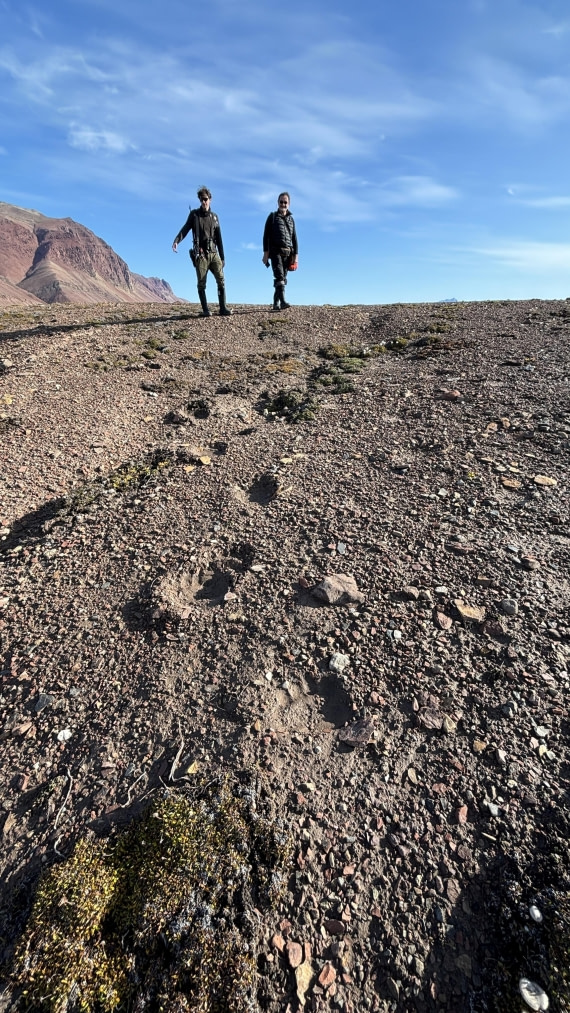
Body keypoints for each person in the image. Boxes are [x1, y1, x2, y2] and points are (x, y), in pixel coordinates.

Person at [172, 187, 232, 317]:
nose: (203, 202)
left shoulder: (215, 217)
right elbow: (185, 229)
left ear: (210, 199)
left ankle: (223, 308)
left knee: (221, 279)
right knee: (201, 282)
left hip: (214, 253)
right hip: (201, 255)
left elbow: (220, 238)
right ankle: (205, 310)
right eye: (201, 200)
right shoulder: (194, 215)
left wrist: (222, 257)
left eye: (205, 199)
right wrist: (177, 240)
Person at [262, 192, 298, 311]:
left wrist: (296, 256)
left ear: (289, 204)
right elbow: (265, 236)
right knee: (279, 276)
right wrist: (266, 254)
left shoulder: (291, 220)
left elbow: (294, 238)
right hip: (275, 252)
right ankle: (282, 302)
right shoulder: (272, 217)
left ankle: (275, 303)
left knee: (282, 279)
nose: (283, 204)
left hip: (288, 253)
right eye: (281, 202)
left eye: (285, 202)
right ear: (278, 203)